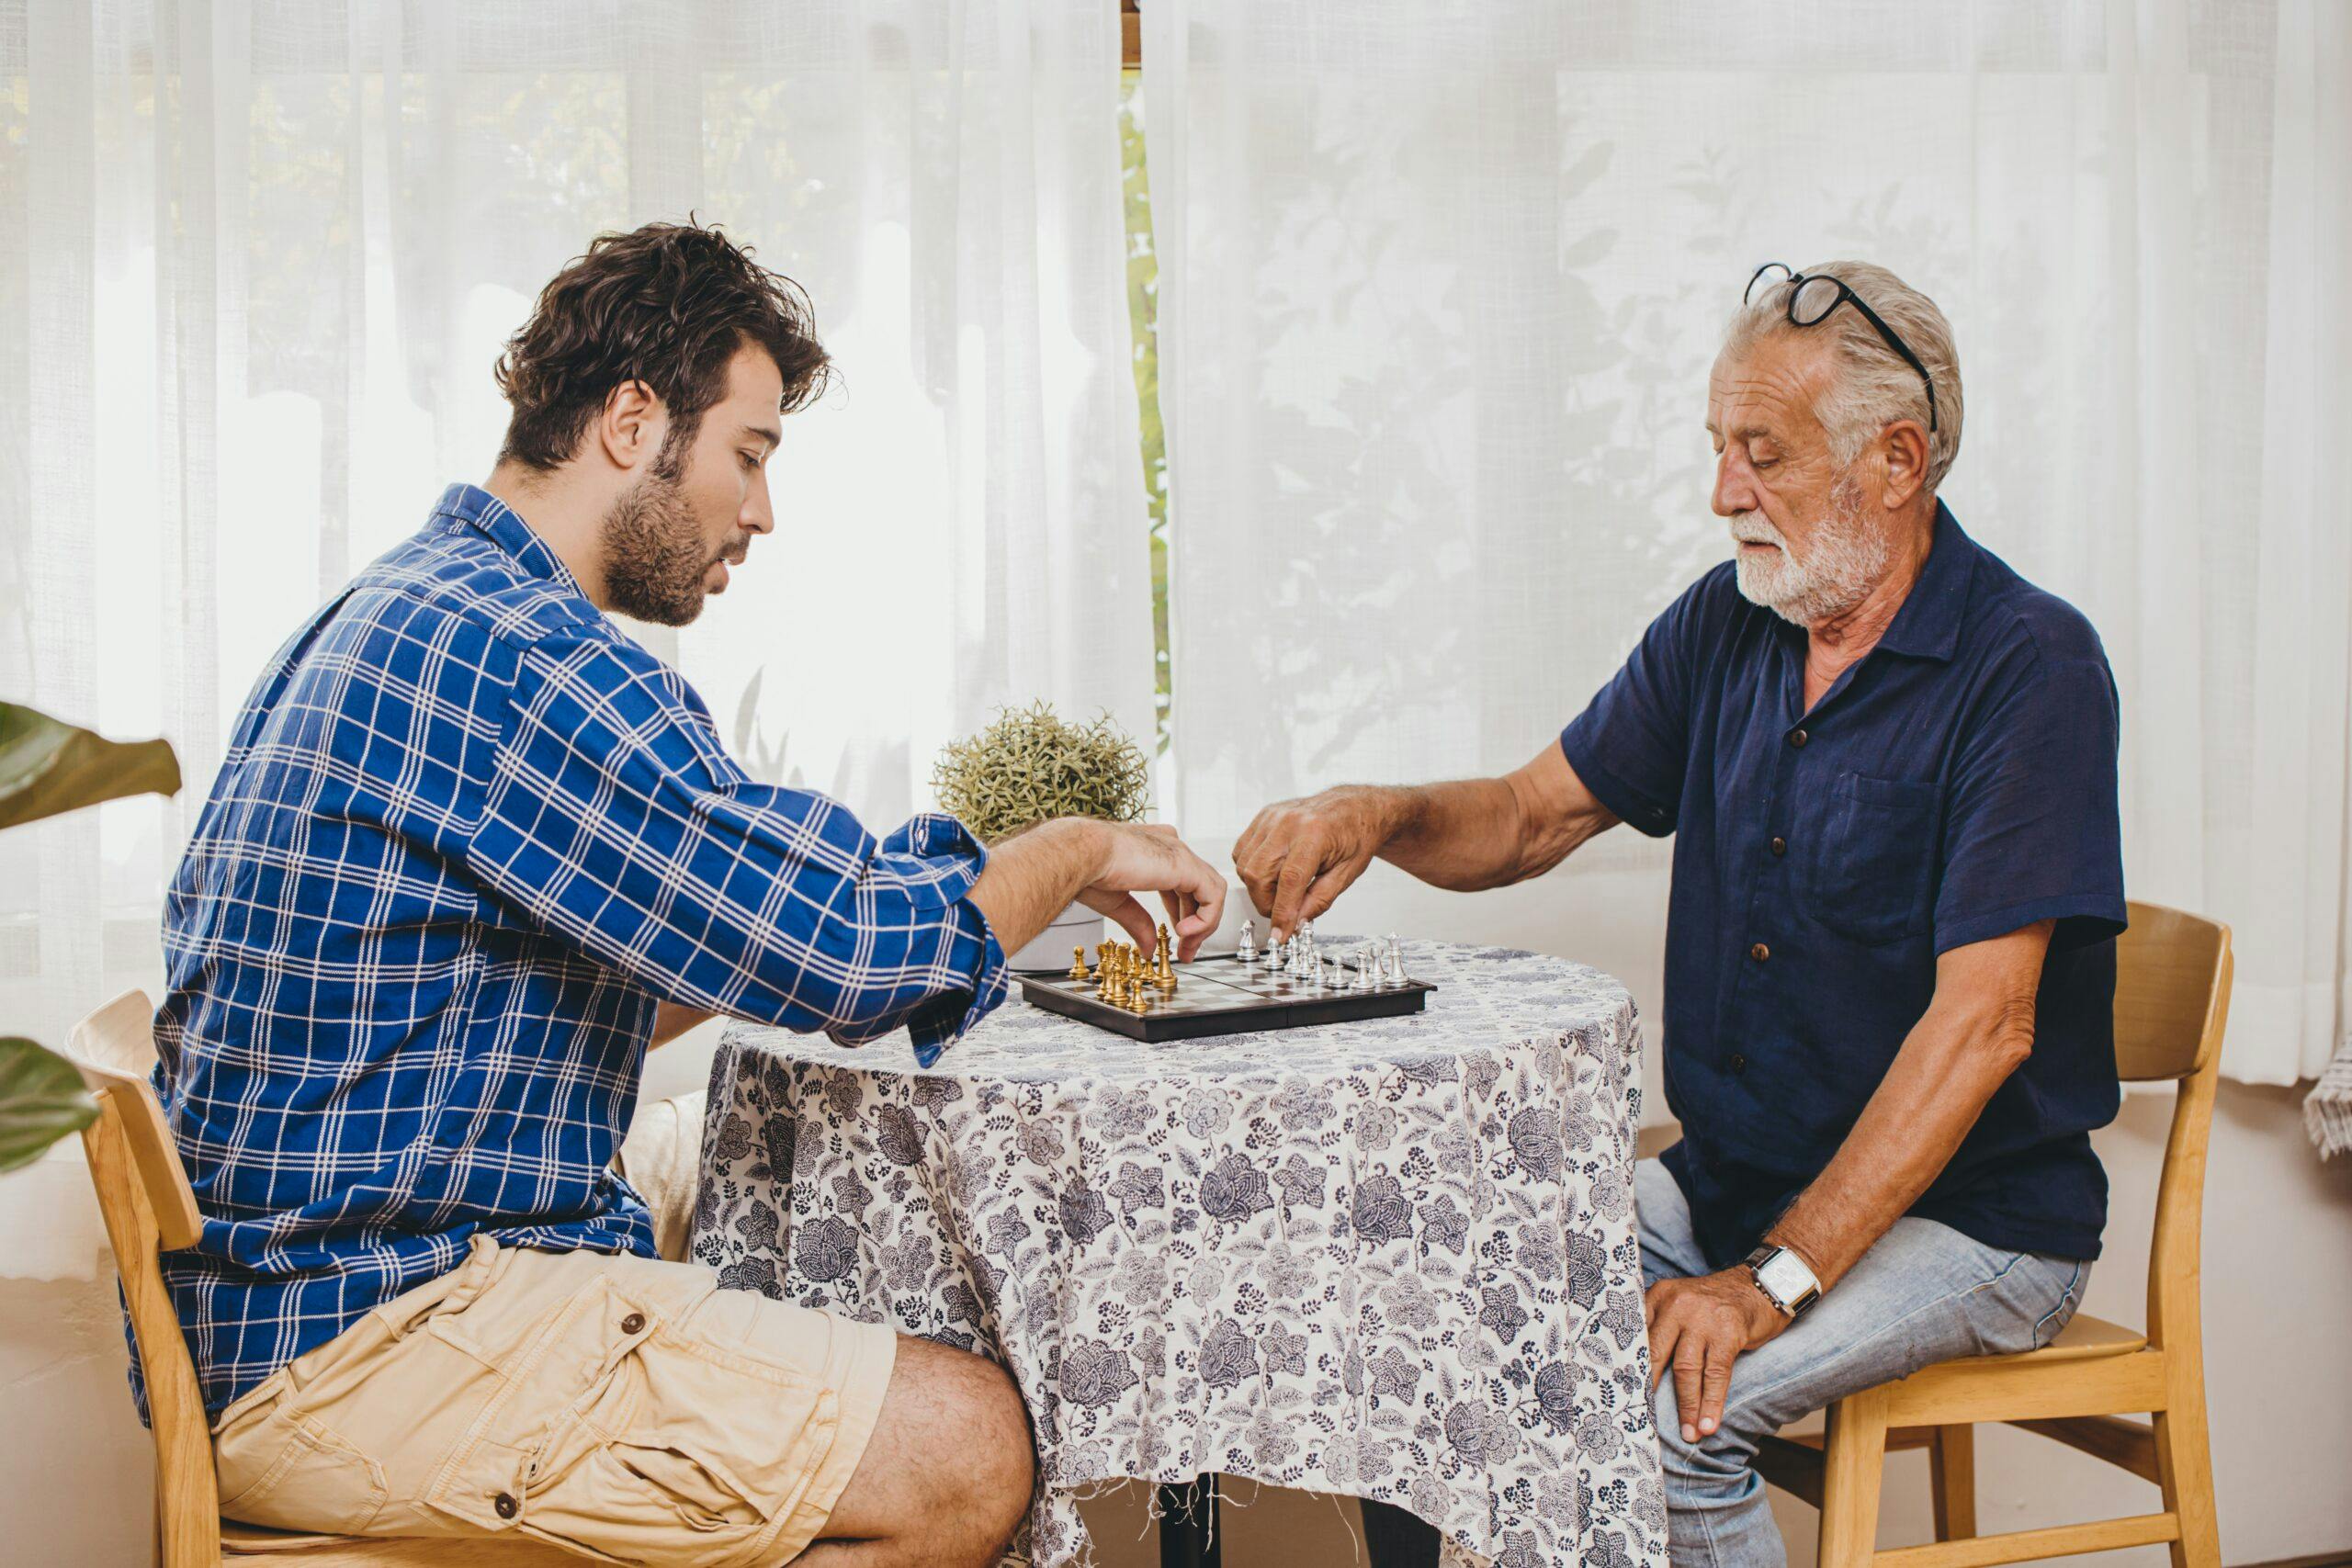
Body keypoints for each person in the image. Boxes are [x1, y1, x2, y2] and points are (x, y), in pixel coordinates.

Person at [150, 220, 1226, 1568]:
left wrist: (931, 889)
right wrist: (1074, 847)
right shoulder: (517, 656)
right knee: (965, 1450)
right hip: (359, 1341)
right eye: (751, 455)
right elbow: (846, 956)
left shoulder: (418, 608)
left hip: (307, 1298)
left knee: (743, 1184)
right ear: (632, 420)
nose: (760, 511)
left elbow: (704, 930)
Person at [1236, 261, 2120, 1568]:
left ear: (1896, 457)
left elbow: (1984, 1026)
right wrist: (1380, 812)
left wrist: (1771, 1283)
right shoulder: (1731, 625)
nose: (1723, 494)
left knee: (1672, 1415)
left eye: (1761, 453)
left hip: (1976, 1223)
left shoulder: (2028, 665)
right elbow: (1534, 813)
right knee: (1415, 1334)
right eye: (1719, 449)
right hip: (1733, 1189)